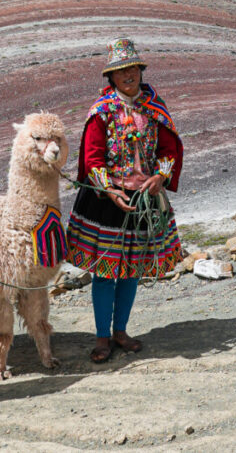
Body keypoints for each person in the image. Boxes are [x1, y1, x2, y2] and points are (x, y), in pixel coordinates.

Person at [66, 37, 184, 363]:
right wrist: (110, 189)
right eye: (121, 70)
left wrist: (160, 176)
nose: (128, 75)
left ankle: (121, 331)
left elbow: (168, 150)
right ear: (112, 77)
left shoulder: (155, 108)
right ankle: (103, 337)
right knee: (105, 272)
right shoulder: (101, 113)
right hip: (108, 201)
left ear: (140, 70)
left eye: (132, 68)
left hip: (144, 198)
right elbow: (92, 158)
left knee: (132, 270)